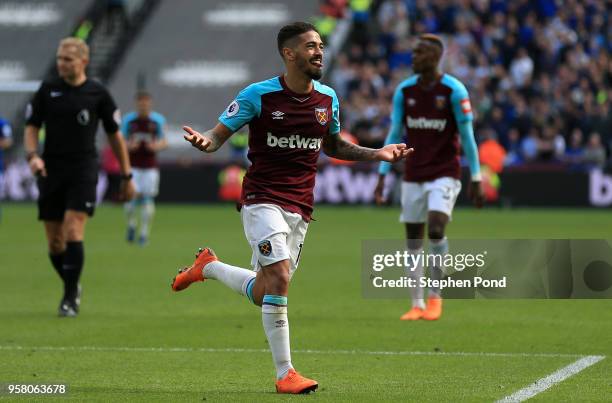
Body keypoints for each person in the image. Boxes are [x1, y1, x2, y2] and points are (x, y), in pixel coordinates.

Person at [170, 22, 411, 394]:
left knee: (265, 290)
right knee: (280, 278)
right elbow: (217, 136)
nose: (319, 52)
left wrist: (376, 152)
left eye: (321, 46)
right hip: (262, 199)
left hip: (301, 206)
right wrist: (206, 141)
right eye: (311, 46)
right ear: (289, 53)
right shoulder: (258, 95)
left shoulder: (327, 98)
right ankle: (286, 374)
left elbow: (334, 146)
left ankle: (210, 267)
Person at [374, 34, 484, 321]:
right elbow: (394, 131)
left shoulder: (454, 91)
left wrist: (476, 177)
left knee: (435, 228)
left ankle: (435, 297)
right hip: (413, 173)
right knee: (412, 239)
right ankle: (416, 303)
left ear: (434, 57)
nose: (413, 58)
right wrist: (383, 173)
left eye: (419, 53)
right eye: (413, 52)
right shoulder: (405, 91)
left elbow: (468, 137)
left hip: (444, 172)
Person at [24, 37, 135, 317]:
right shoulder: (47, 91)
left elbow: (115, 136)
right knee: (55, 242)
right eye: (60, 58)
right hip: (50, 170)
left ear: (83, 61)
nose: (61, 63)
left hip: (83, 168)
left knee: (73, 228)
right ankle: (72, 284)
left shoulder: (98, 93)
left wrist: (126, 174)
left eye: (68, 59)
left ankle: (69, 296)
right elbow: (31, 127)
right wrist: (32, 156)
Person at [122, 91, 167, 245]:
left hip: (150, 167)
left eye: (146, 103)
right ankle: (132, 225)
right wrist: (129, 146)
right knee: (130, 199)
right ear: (137, 104)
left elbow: (164, 141)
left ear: (150, 104)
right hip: (132, 167)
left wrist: (155, 146)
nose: (143, 106)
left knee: (148, 199)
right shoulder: (129, 120)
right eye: (141, 103)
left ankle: (144, 233)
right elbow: (120, 141)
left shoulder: (157, 120)